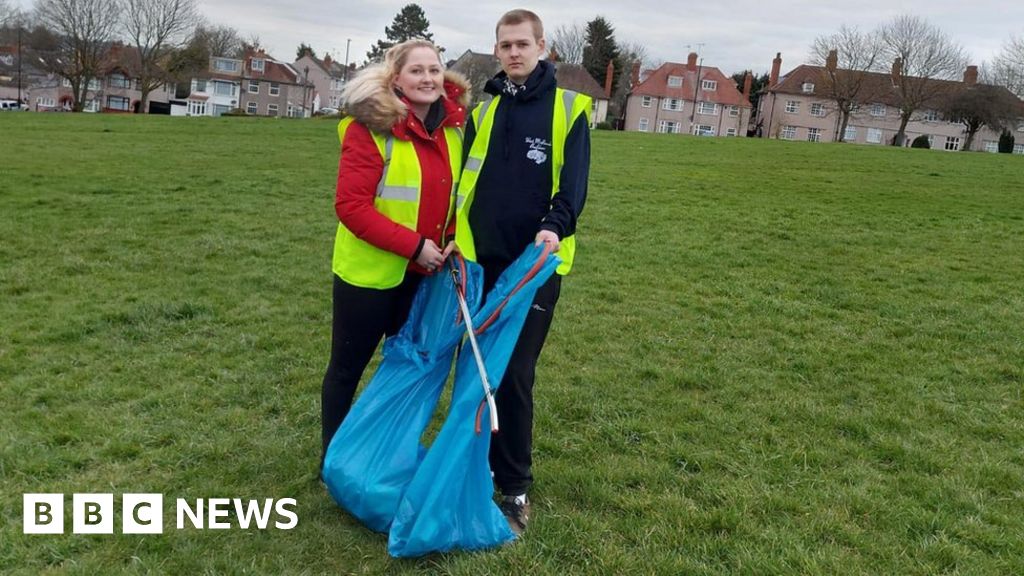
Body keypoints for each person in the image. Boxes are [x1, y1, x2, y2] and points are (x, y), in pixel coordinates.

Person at [452, 9, 591, 535]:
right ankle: (475, 466)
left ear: (542, 47)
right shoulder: (483, 112)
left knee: (513, 374)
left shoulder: (570, 108)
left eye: (522, 44)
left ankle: (514, 487)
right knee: (477, 369)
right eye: (504, 45)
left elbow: (573, 189)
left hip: (533, 268)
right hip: (478, 263)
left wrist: (553, 228)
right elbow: (463, 184)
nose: (513, 53)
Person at [321, 39, 470, 470]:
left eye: (434, 70)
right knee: (347, 370)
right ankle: (333, 461)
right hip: (369, 276)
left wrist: (455, 236)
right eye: (417, 71)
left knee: (403, 371)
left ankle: (382, 457)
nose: (427, 79)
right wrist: (414, 246)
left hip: (425, 277)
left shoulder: (455, 130)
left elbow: (458, 196)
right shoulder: (368, 129)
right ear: (396, 79)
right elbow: (351, 206)